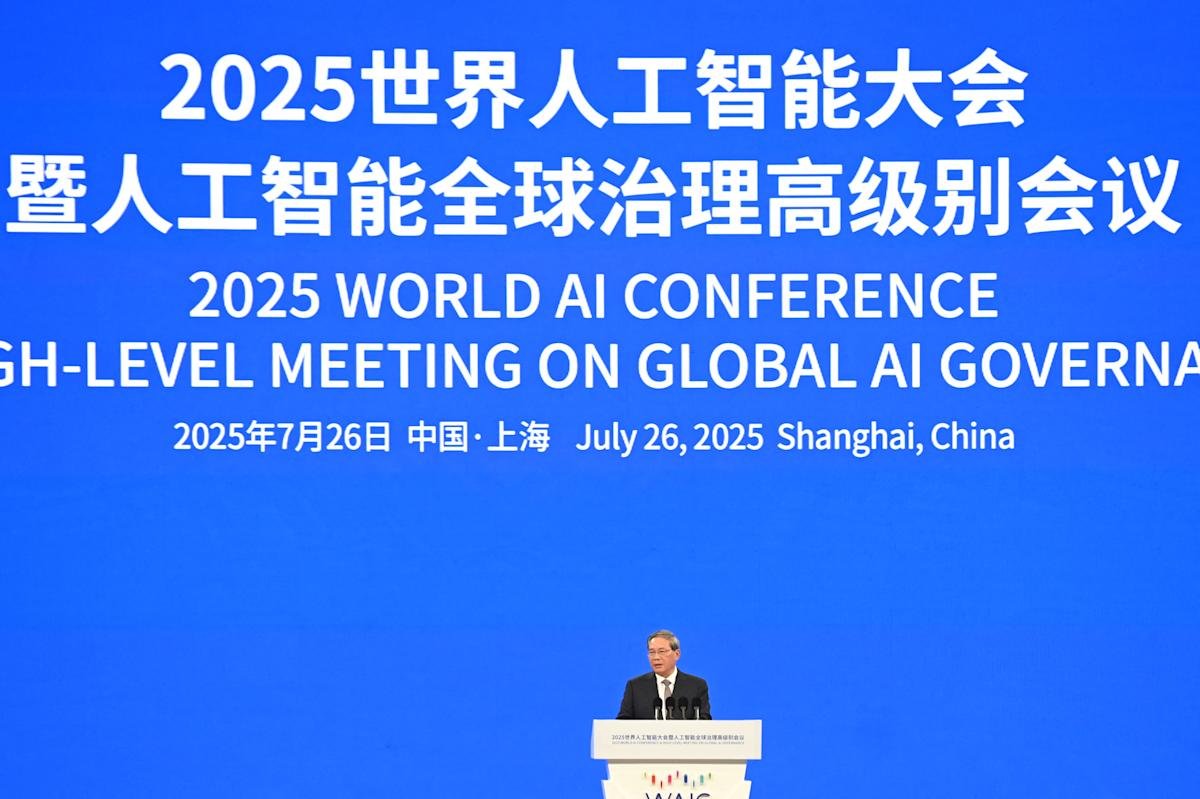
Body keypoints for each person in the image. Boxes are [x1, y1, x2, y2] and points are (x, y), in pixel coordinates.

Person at [616, 629, 712, 719]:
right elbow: (623, 722)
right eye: (652, 652)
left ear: (677, 654)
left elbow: (704, 721)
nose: (656, 657)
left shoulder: (696, 686)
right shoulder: (635, 686)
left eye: (661, 651)